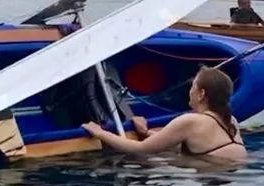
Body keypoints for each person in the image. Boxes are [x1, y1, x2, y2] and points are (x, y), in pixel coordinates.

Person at [81, 67, 247, 160]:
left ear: (201, 94)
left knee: (137, 160)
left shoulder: (191, 121)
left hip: (208, 184)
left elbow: (140, 148)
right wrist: (146, 132)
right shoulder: (230, 120)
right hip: (230, 180)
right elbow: (186, 144)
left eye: (193, 86)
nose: (189, 91)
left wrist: (100, 133)